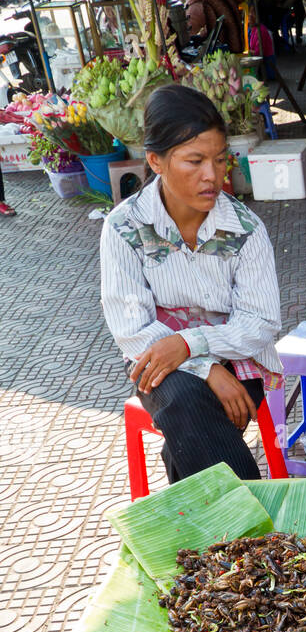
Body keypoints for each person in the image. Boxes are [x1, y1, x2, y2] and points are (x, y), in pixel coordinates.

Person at [100, 85, 283, 484]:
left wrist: (189, 345)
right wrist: (206, 370)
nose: (212, 175)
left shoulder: (245, 229)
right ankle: (252, 525)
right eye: (195, 161)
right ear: (156, 161)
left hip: (241, 364)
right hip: (157, 367)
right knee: (185, 398)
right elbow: (131, 330)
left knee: (188, 418)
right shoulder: (124, 227)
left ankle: (229, 534)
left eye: (220, 160)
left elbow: (261, 323)